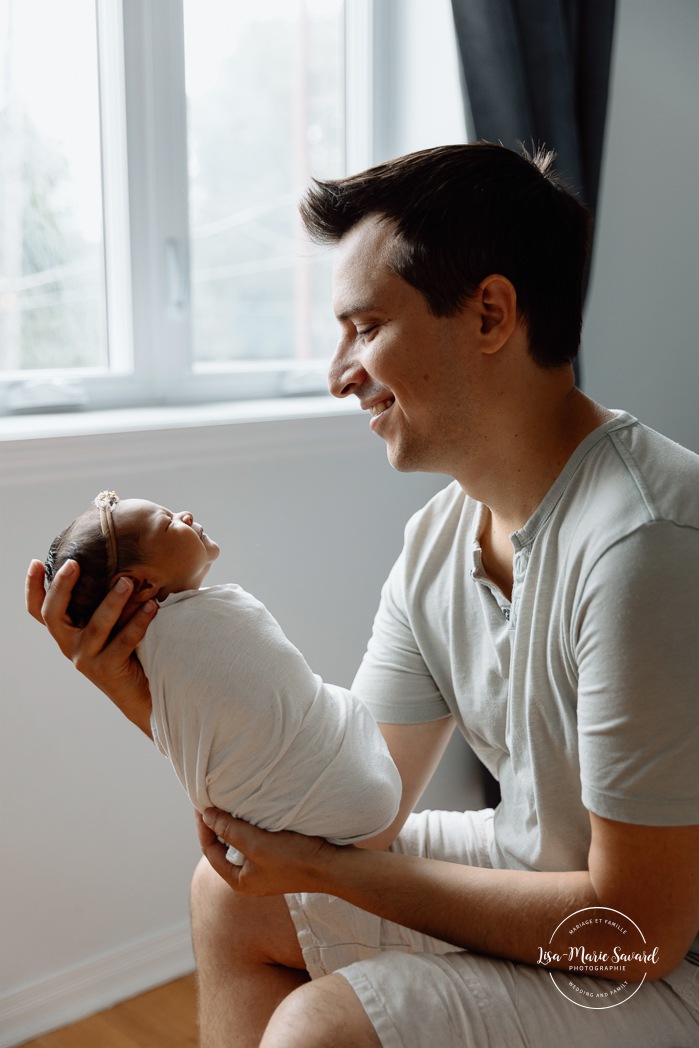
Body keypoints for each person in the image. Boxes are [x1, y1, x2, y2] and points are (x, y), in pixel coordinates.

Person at [27, 143, 699, 1048]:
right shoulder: (435, 543)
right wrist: (151, 695)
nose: (339, 373)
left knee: (320, 1026)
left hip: (668, 959)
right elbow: (352, 808)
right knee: (228, 898)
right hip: (550, 876)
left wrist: (332, 876)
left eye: (365, 327)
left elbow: (638, 933)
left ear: (490, 314)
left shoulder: (641, 545)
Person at [43, 491, 401, 863]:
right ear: (141, 584)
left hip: (348, 795)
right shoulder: (177, 639)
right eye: (167, 522)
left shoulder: (177, 642)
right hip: (346, 797)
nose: (185, 514)